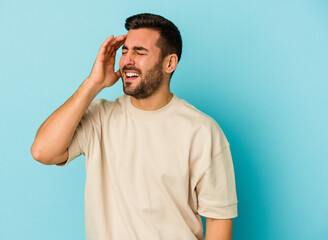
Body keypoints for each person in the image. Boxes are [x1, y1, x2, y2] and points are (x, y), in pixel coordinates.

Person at [31, 13, 238, 240]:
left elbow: (219, 221)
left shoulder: (202, 131)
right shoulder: (100, 117)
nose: (127, 60)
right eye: (124, 51)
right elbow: (43, 151)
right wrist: (92, 84)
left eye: (139, 52)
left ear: (170, 63)